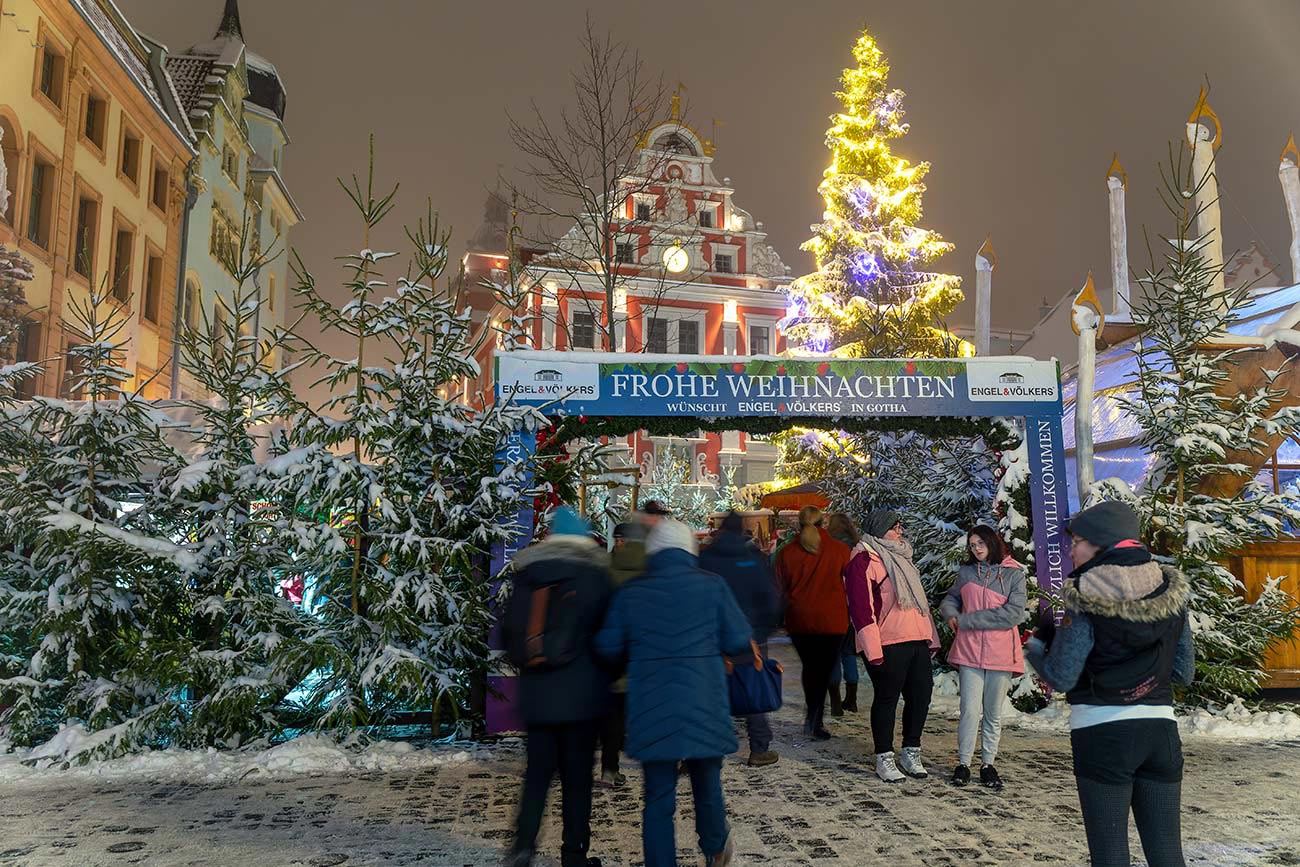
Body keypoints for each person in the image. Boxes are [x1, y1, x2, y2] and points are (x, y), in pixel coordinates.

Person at [1025, 501, 1194, 867]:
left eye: (1078, 541)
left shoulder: (1087, 592)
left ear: (1102, 542)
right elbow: (1184, 672)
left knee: (1110, 855)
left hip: (1102, 734)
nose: (1071, 549)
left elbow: (1062, 675)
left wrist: (1038, 645)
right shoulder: (1170, 590)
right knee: (1167, 854)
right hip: (1160, 732)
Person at [595, 519, 752, 867]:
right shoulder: (713, 587)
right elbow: (739, 639)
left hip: (653, 706)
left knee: (658, 798)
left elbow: (606, 645)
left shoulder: (633, 591)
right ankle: (714, 849)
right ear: (689, 551)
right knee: (708, 783)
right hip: (704, 702)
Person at [502, 507, 612, 867]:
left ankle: (523, 847)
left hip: (537, 697)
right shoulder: (595, 576)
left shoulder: (527, 575)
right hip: (582, 699)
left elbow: (507, 634)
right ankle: (574, 854)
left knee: (537, 775)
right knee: (577, 780)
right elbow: (610, 639)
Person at [847, 509, 940, 782]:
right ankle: (884, 756)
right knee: (887, 699)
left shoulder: (903, 557)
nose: (900, 530)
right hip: (888, 642)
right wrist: (872, 650)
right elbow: (861, 610)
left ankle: (911, 751)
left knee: (921, 696)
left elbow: (920, 605)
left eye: (900, 525)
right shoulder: (864, 560)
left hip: (916, 639)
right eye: (894, 526)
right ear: (879, 529)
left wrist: (930, 637)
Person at [938, 525, 1027, 789]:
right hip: (969, 650)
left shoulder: (1014, 574)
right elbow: (950, 598)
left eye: (980, 543)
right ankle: (963, 763)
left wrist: (968, 620)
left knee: (992, 713)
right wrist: (951, 614)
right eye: (972, 544)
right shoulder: (966, 573)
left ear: (992, 542)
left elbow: (1013, 614)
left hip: (1000, 652)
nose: (976, 548)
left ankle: (988, 764)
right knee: (968, 710)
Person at [699, 511, 783, 767]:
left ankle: (702, 747)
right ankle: (758, 748)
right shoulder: (753, 559)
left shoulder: (705, 558)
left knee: (709, 690)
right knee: (753, 689)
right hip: (750, 637)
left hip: (713, 635)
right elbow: (771, 600)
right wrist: (762, 632)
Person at [775, 506, 851, 740]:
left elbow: (779, 587)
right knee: (825, 669)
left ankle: (813, 716)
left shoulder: (786, 552)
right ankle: (815, 717)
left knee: (810, 668)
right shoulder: (840, 550)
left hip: (800, 620)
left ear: (799, 524)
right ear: (823, 523)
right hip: (832, 620)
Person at [597, 521, 646, 788]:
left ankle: (609, 767)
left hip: (614, 651)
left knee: (614, 714)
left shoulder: (604, 569)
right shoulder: (651, 568)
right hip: (646, 653)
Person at [826, 514, 863, 717]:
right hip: (852, 607)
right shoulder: (857, 546)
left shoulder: (829, 547)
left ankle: (835, 703)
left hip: (833, 605)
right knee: (848, 652)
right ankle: (852, 699)